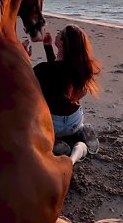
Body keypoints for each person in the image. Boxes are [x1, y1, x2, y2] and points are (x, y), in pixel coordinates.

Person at [23, 24, 101, 157]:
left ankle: (53, 141)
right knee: (72, 112)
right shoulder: (81, 69)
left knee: (27, 124)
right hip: (74, 122)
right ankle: (81, 131)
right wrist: (48, 47)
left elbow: (24, 81)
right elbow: (58, 75)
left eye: (60, 33)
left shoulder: (43, 69)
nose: (56, 34)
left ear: (63, 43)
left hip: (54, 126)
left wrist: (25, 57)